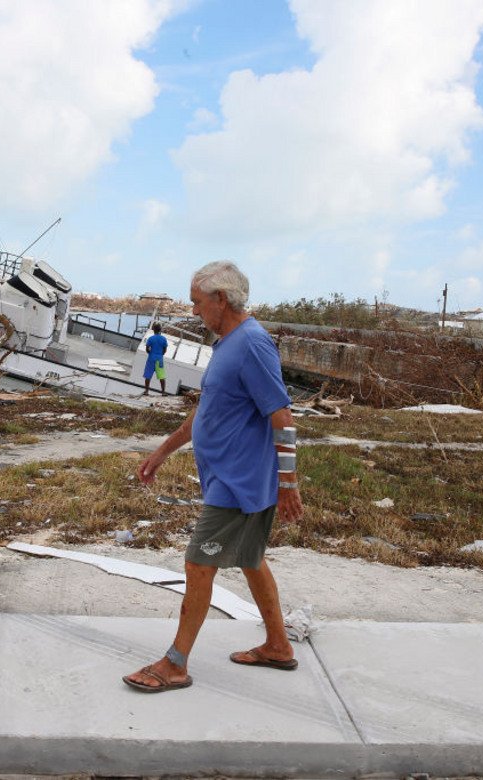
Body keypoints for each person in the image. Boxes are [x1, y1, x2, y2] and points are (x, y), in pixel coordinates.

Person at [122, 260, 304, 693]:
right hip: (229, 477)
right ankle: (279, 646)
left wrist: (289, 484)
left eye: (197, 303)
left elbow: (283, 417)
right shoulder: (228, 343)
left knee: (197, 563)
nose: (194, 312)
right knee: (250, 559)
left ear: (221, 299)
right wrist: (164, 450)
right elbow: (208, 410)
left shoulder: (254, 345)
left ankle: (175, 664)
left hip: (239, 482)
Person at [142, 322, 169, 395]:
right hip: (159, 359)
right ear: (160, 330)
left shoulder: (151, 338)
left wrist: (150, 353)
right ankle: (163, 392)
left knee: (148, 375)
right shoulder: (163, 339)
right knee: (161, 376)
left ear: (153, 330)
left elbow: (147, 349)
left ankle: (147, 391)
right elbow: (165, 350)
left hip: (151, 358)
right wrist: (160, 354)